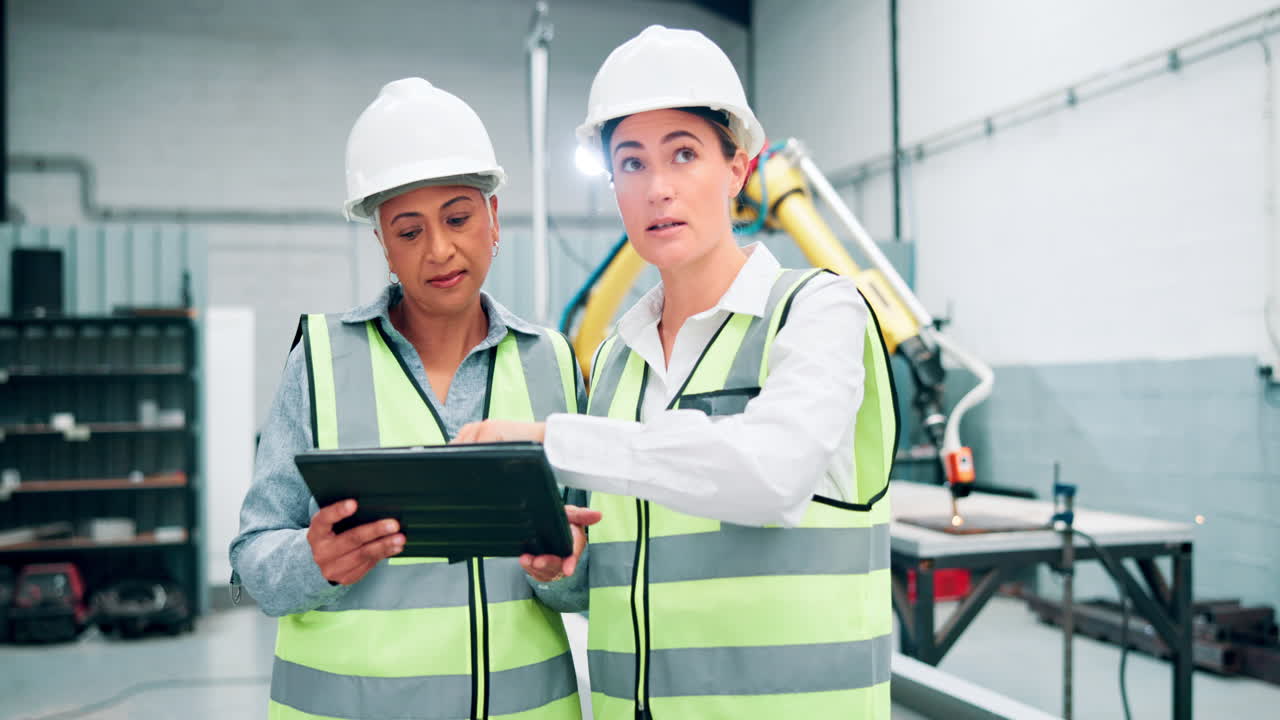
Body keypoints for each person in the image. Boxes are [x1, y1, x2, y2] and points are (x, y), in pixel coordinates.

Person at [453, 27, 898, 719]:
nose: (657, 188)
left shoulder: (816, 311)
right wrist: (562, 569)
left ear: (738, 171)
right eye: (630, 164)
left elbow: (772, 476)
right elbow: (634, 570)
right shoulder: (614, 362)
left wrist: (549, 438)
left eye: (684, 154)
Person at [230, 77, 595, 720]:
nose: (440, 250)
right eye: (408, 231)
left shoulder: (554, 364)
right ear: (382, 245)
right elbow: (255, 559)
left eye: (457, 217)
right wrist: (315, 561)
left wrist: (564, 573)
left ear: (493, 218)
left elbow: (591, 573)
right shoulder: (320, 362)